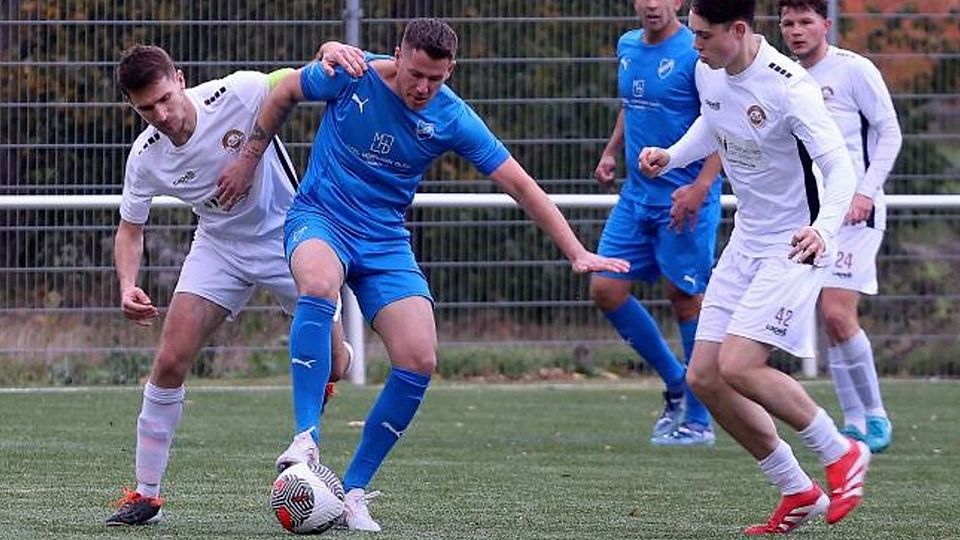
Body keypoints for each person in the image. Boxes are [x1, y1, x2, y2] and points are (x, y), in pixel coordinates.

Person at [218, 18, 629, 532]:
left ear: (450, 71)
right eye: (415, 74)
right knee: (319, 286)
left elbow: (522, 186)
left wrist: (576, 252)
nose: (422, 88)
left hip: (384, 241)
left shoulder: (453, 116)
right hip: (320, 217)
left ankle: (353, 491)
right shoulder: (350, 72)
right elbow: (283, 95)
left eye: (435, 79)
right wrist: (249, 158)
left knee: (419, 358)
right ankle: (305, 437)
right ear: (397, 55)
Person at [639, 0, 870, 534]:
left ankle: (841, 451)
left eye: (702, 35)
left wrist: (823, 230)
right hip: (747, 238)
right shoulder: (709, 69)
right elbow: (714, 123)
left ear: (738, 30)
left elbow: (838, 168)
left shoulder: (791, 88)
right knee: (705, 377)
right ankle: (798, 490)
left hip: (796, 242)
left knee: (740, 365)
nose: (694, 45)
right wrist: (672, 156)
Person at [105, 45, 352, 526]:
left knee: (336, 365)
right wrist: (127, 284)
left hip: (293, 237)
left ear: (180, 78)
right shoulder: (146, 157)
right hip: (219, 248)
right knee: (170, 358)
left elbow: (299, 79)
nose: (161, 115)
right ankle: (147, 494)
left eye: (164, 99)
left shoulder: (236, 92)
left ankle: (319, 412)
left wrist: (330, 56)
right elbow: (130, 229)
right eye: (145, 109)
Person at [593, 0, 723, 446]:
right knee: (605, 287)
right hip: (636, 196)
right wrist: (611, 151)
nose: (652, 3)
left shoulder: (698, 52)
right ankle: (675, 380)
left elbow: (722, 120)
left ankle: (699, 419)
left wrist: (701, 187)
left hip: (684, 197)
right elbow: (634, 103)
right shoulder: (627, 44)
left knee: (685, 299)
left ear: (680, 2)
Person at [779, 0, 901, 454]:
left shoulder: (854, 70)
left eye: (805, 21)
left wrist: (865, 192)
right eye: (788, 23)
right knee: (829, 319)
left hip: (856, 214)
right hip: (812, 216)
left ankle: (875, 414)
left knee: (835, 312)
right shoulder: (785, 77)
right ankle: (853, 421)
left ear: (825, 25)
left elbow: (889, 133)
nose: (796, 31)